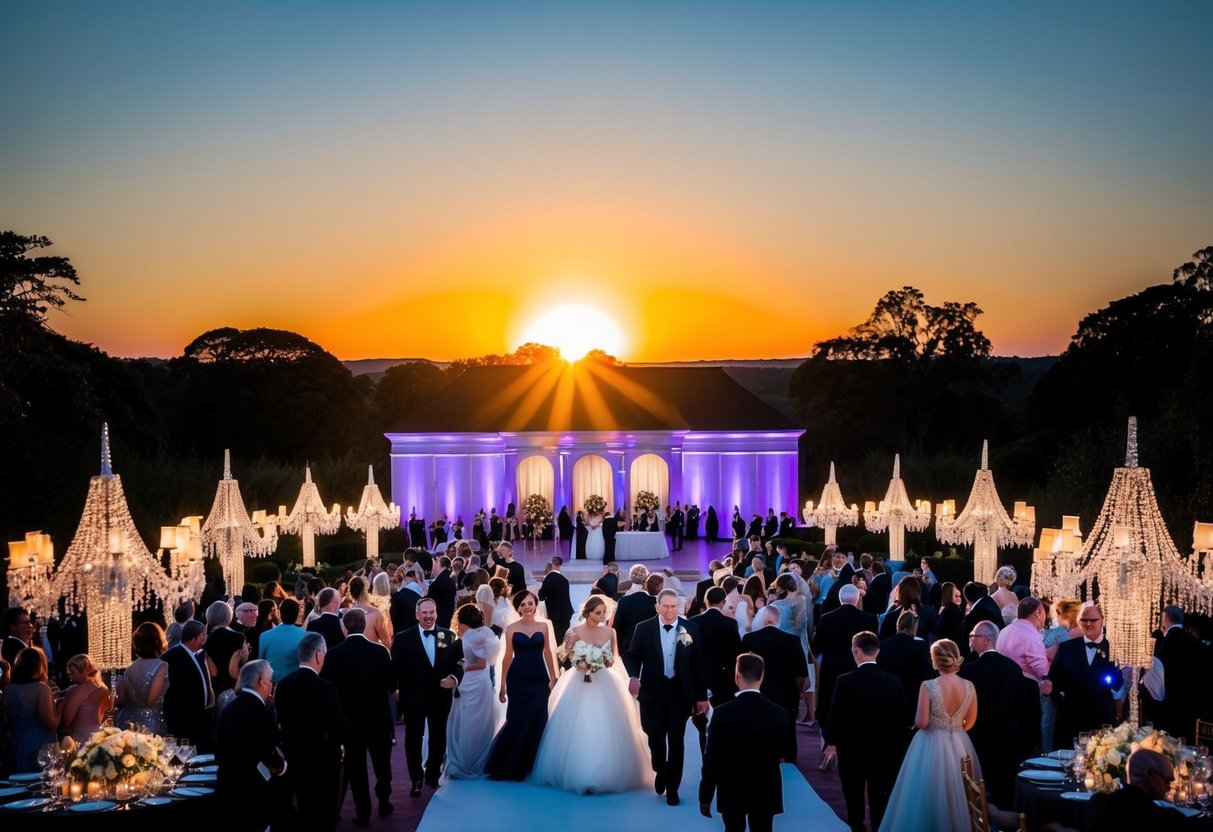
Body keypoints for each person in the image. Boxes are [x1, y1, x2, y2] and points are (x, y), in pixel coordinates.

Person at [532, 595, 651, 794]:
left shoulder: (610, 632)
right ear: (588, 612)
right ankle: (577, 772)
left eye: (604, 613)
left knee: (605, 725)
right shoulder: (573, 631)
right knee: (577, 724)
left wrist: (599, 662)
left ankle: (605, 773)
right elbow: (565, 655)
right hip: (577, 680)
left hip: (604, 680)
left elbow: (614, 658)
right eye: (598, 612)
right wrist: (581, 663)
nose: (602, 616)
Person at [878, 639, 980, 832]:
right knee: (957, 790)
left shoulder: (929, 686)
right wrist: (955, 728)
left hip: (930, 742)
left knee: (924, 792)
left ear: (935, 661)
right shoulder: (969, 686)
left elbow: (922, 722)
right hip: (959, 742)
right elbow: (971, 720)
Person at [623, 588, 709, 807]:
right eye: (666, 606)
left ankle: (673, 788)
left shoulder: (691, 629)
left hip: (680, 693)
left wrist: (701, 696)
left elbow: (699, 665)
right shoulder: (643, 629)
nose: (670, 611)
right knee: (655, 737)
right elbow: (633, 656)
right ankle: (660, 768)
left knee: (677, 740)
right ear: (657, 607)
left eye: (674, 607)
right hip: (652, 692)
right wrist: (634, 676)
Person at [827, 632, 912, 832]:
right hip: (885, 751)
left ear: (856, 651)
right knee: (880, 802)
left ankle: (857, 827)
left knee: (853, 799)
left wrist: (831, 742)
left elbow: (835, 716)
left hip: (851, 752)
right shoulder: (894, 682)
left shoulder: (844, 681)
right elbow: (906, 718)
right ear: (878, 651)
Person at [699, 653, 794, 832]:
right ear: (762, 676)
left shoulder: (721, 714)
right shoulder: (778, 713)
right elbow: (785, 752)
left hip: (731, 788)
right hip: (766, 787)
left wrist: (705, 796)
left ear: (737, 676)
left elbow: (711, 759)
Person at [327, 608, 398, 821]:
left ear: (344, 627)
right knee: (382, 764)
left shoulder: (333, 654)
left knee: (356, 767)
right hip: (379, 717)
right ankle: (384, 801)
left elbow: (331, 690)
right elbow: (391, 684)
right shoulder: (380, 652)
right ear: (364, 625)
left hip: (350, 721)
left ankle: (363, 812)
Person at [276, 633, 347, 832]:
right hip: (323, 762)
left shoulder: (283, 685)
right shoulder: (327, 688)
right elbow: (339, 725)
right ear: (318, 655)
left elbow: (280, 720)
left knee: (301, 812)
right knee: (325, 815)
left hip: (293, 758)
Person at [960, 620, 1034, 808]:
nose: (970, 640)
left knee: (982, 791)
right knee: (1007, 794)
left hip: (980, 740)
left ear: (985, 640)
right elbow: (1023, 708)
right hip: (1010, 740)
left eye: (973, 636)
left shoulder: (969, 670)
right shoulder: (1013, 668)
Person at [485, 590, 557, 781]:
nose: (527, 607)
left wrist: (553, 676)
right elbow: (507, 657)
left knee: (538, 717)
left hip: (539, 678)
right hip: (517, 679)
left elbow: (548, 652)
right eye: (523, 604)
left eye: (530, 603)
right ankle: (511, 763)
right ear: (518, 607)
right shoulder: (511, 629)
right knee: (518, 718)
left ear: (536, 605)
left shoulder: (544, 626)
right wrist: (502, 685)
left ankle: (531, 763)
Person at [216, 660, 287, 832]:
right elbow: (269, 754)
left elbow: (218, 748)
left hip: (227, 787)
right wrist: (283, 767)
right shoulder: (261, 712)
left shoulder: (229, 707)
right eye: (270, 681)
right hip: (252, 792)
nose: (271, 685)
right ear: (262, 682)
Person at [811, 584, 878, 756]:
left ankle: (827, 744)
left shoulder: (826, 619)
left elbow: (816, 647)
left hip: (831, 670)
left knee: (829, 706)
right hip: (857, 669)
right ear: (857, 599)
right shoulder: (869, 619)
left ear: (840, 599)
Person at [1046, 602, 1124, 748]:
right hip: (1071, 720)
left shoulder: (1114, 649)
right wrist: (1051, 688)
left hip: (1101, 720)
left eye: (1093, 620)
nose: (1088, 623)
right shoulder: (1067, 647)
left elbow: (1119, 685)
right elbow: (1055, 679)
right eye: (1084, 620)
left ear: (1102, 621)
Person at [1085, 748, 1211, 830]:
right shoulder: (1158, 819)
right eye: (1167, 780)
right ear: (1149, 775)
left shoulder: (1098, 802)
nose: (1169, 786)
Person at [742, 606, 808, 761]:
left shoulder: (750, 639)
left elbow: (742, 668)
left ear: (765, 620)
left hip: (757, 690)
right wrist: (795, 692)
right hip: (785, 692)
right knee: (787, 726)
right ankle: (789, 756)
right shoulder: (792, 641)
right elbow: (801, 674)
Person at [445, 604, 502, 779]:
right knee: (478, 722)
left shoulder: (472, 636)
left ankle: (468, 760)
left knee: (470, 722)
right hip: (481, 682)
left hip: (474, 683)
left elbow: (481, 663)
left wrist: (462, 666)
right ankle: (475, 756)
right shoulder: (485, 632)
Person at [1148, 605, 1209, 743]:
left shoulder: (1166, 643)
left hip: (1169, 711)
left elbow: (1156, 679)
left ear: (1165, 620)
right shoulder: (1195, 643)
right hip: (1193, 709)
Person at [2, 647, 56, 776]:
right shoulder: (42, 689)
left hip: (15, 743)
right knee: (38, 783)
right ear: (39, 667)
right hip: (37, 745)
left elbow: (6, 718)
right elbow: (51, 723)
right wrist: (60, 706)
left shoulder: (10, 688)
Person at [162, 620, 214, 749]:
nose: (205, 638)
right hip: (184, 719)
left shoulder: (200, 654)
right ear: (194, 638)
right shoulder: (171, 657)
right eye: (203, 635)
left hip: (201, 717)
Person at [876, 611, 935, 721]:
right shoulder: (919, 647)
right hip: (911, 696)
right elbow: (927, 673)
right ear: (914, 627)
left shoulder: (883, 645)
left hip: (886, 694)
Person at [114, 622, 169, 733]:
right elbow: (150, 701)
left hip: (129, 721)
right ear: (158, 641)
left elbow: (120, 701)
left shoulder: (130, 667)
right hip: (152, 721)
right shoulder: (162, 666)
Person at [205, 599, 248, 712]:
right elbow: (244, 660)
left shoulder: (206, 639)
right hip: (234, 686)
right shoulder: (239, 637)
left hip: (213, 688)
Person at [56, 653, 110, 743]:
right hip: (98, 736)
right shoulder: (104, 688)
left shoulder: (77, 690)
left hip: (81, 738)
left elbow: (67, 721)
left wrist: (61, 704)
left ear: (85, 671)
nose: (70, 677)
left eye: (72, 673)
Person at [259, 598, 307, 683]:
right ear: (296, 614)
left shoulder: (264, 636)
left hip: (271, 684)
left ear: (280, 613)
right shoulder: (305, 636)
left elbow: (261, 663)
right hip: (295, 683)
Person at [612, 572, 662, 650]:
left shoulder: (624, 600)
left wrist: (617, 652)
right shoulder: (660, 606)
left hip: (628, 648)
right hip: (652, 650)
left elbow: (617, 628)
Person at [537, 555, 574, 643]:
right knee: (565, 639)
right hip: (566, 613)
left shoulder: (548, 578)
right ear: (560, 565)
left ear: (552, 564)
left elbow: (541, 596)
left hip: (555, 614)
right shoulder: (565, 580)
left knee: (556, 639)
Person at [348, 576, 392, 646]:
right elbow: (386, 640)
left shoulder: (345, 614)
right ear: (365, 590)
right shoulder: (375, 613)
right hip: (372, 653)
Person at [935, 581, 966, 646]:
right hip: (953, 646)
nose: (959, 599)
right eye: (956, 596)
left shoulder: (950, 609)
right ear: (948, 595)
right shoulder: (951, 611)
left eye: (959, 596)